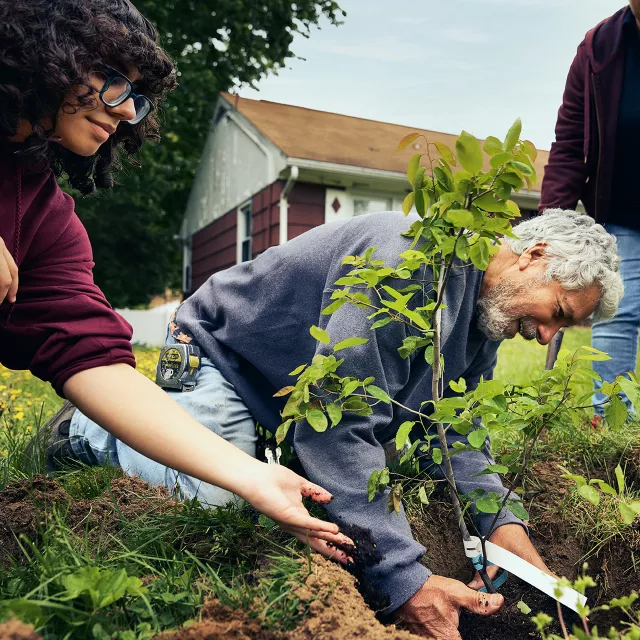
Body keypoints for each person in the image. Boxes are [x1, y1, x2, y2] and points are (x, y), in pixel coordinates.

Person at [58, 209, 622, 639]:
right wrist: (407, 583)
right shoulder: (404, 264)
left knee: (350, 482)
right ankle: (92, 426)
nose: (547, 336)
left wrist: (509, 536)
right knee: (219, 507)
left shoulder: (481, 319)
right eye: (559, 314)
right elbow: (341, 427)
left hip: (293, 407)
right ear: (535, 255)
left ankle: (257, 455)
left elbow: (451, 436)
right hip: (225, 362)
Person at [2, 0, 351, 562]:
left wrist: (252, 478)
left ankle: (80, 435)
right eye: (115, 82)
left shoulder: (45, 220)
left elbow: (93, 361)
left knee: (217, 496)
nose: (126, 113)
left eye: (138, 100)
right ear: (46, 52)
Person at [540, 2, 640, 419]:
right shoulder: (599, 47)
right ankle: (615, 430)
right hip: (620, 214)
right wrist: (550, 227)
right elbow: (568, 144)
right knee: (618, 315)